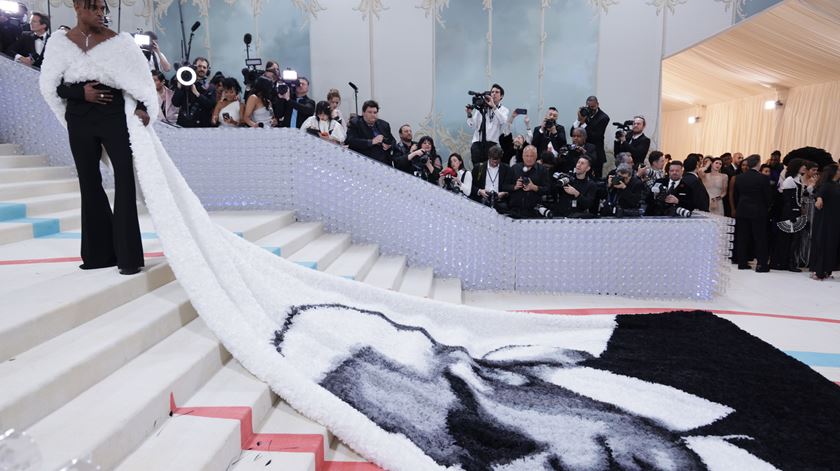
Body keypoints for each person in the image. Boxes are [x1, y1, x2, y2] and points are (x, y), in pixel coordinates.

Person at [39, 0, 156, 275]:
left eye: (104, 9)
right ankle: (99, 255)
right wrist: (81, 94)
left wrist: (143, 107)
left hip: (113, 115)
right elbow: (50, 86)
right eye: (95, 8)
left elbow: (142, 81)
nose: (102, 14)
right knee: (89, 182)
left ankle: (128, 258)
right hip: (79, 118)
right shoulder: (61, 43)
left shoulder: (120, 42)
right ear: (78, 7)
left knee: (125, 178)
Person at [733, 154, 771, 272]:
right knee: (760, 238)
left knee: (742, 237)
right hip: (758, 211)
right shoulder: (763, 178)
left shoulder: (739, 178)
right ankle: (761, 264)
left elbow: (736, 196)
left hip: (742, 210)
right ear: (758, 164)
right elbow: (768, 197)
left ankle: (742, 263)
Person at [770, 159, 811, 272]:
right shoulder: (789, 180)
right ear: (797, 166)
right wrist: (792, 213)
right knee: (788, 238)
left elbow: (799, 196)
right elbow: (787, 199)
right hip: (790, 213)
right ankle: (785, 263)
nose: (804, 168)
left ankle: (789, 262)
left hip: (796, 211)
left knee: (794, 239)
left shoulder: (798, 179)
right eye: (803, 166)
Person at [465, 84, 509, 166]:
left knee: (490, 169)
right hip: (477, 144)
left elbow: (503, 120)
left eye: (497, 92)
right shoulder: (481, 107)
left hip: (492, 145)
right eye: (492, 92)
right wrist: (469, 114)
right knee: (477, 169)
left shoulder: (504, 110)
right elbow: (473, 125)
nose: (494, 94)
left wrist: (493, 107)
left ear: (501, 96)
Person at [809, 164, 840, 280]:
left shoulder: (836, 185)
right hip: (825, 220)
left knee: (832, 244)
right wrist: (819, 198)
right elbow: (818, 193)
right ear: (834, 172)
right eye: (838, 170)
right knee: (823, 242)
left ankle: (827, 269)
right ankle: (819, 270)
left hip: (834, 220)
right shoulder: (827, 185)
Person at [502, 145, 550, 218]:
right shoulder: (514, 168)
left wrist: (534, 187)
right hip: (515, 211)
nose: (529, 158)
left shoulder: (542, 170)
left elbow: (548, 189)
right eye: (527, 156)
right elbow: (504, 186)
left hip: (535, 212)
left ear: (536, 156)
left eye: (532, 156)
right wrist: (515, 186)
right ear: (522, 156)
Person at [345, 100, 395, 165]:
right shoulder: (355, 123)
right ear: (363, 113)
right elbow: (350, 140)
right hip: (364, 162)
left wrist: (389, 145)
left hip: (383, 163)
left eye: (375, 112)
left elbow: (393, 141)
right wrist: (372, 142)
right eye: (370, 112)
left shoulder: (384, 125)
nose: (373, 115)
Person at [171, 56, 216, 127]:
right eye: (199, 66)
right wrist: (179, 88)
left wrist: (197, 94)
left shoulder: (211, 87)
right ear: (194, 68)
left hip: (203, 125)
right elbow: (175, 103)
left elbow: (211, 105)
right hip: (184, 124)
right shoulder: (185, 83)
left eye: (204, 67)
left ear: (207, 70)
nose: (202, 69)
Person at [571, 96, 609, 178]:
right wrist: (578, 119)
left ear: (597, 104)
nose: (590, 109)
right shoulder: (584, 114)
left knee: (596, 178)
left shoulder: (604, 118)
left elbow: (596, 136)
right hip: (580, 153)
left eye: (593, 107)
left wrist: (583, 123)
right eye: (588, 107)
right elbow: (572, 132)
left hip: (596, 154)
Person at [470, 145, 510, 211]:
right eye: (493, 160)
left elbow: (511, 187)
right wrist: (479, 191)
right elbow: (471, 185)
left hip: (500, 204)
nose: (495, 163)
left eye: (497, 160)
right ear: (489, 157)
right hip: (481, 202)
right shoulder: (478, 168)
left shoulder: (506, 169)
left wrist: (504, 193)